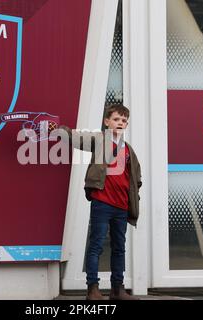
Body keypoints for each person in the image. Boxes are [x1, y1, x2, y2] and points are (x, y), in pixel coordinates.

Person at [59, 104, 142, 300]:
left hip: (121, 207)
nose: (120, 123)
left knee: (119, 248)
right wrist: (60, 131)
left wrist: (134, 196)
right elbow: (76, 138)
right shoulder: (99, 139)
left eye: (123, 121)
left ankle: (117, 290)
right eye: (116, 119)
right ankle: (93, 289)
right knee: (96, 245)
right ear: (107, 122)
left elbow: (136, 178)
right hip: (102, 203)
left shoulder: (128, 150)